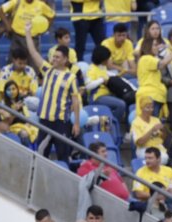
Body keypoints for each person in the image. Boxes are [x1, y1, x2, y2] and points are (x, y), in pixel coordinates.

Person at [25, 22, 81, 163]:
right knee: (41, 154)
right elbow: (33, 53)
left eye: (57, 57)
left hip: (60, 122)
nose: (54, 59)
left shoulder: (71, 77)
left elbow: (75, 100)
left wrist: (77, 123)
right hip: (44, 120)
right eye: (53, 56)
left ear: (65, 60)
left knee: (63, 156)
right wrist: (27, 33)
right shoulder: (47, 70)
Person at [86, 46, 127, 127]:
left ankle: (113, 123)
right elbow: (88, 86)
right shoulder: (91, 69)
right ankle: (112, 126)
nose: (108, 60)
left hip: (108, 93)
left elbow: (108, 76)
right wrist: (101, 80)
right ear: (102, 59)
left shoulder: (103, 67)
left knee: (127, 98)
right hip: (98, 97)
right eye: (107, 58)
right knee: (121, 104)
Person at [132, 99, 170, 164]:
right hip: (144, 149)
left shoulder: (156, 120)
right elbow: (139, 142)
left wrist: (164, 130)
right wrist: (152, 130)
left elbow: (163, 138)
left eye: (152, 107)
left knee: (164, 157)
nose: (150, 110)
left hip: (158, 147)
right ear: (142, 108)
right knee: (160, 158)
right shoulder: (136, 122)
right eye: (147, 107)